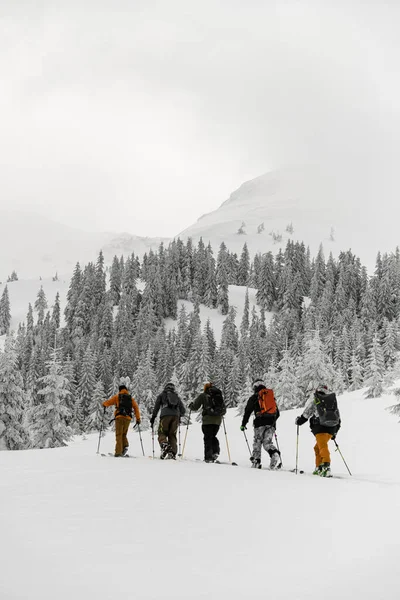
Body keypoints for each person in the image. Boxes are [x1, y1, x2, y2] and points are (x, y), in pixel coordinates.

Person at [295, 385, 341, 477]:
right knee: (317, 447)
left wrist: (299, 421)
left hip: (320, 428)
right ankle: (319, 466)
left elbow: (306, 414)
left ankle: (326, 466)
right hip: (331, 429)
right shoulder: (331, 402)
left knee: (322, 446)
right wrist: (335, 432)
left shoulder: (316, 401)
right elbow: (338, 418)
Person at [240, 379, 281, 470]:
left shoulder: (254, 397)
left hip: (259, 424)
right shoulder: (271, 397)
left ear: (254, 387)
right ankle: (274, 453)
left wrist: (243, 424)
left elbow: (247, 412)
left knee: (257, 442)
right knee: (267, 443)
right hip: (271, 424)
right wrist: (272, 422)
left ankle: (256, 461)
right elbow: (277, 413)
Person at [188, 382, 226, 463]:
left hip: (207, 420)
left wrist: (190, 406)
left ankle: (208, 457)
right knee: (213, 436)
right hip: (217, 421)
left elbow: (195, 407)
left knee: (207, 437)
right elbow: (224, 410)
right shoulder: (218, 395)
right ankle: (215, 452)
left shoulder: (203, 395)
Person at [150, 382, 186, 459]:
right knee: (172, 435)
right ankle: (172, 453)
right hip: (175, 417)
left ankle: (164, 445)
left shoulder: (162, 395)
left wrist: (153, 417)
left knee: (162, 432)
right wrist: (179, 415)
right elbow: (183, 410)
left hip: (165, 416)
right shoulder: (176, 397)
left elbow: (156, 407)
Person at [103, 384, 140, 457]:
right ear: (126, 390)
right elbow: (136, 408)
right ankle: (125, 446)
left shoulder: (117, 396)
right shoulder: (130, 398)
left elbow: (109, 402)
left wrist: (104, 404)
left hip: (120, 417)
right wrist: (138, 419)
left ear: (120, 390)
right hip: (128, 418)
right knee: (124, 434)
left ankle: (118, 452)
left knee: (119, 434)